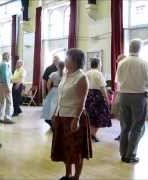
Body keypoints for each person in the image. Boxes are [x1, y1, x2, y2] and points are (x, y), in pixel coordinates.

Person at [51, 48, 92, 180]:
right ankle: (67, 174)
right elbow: (60, 96)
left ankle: (76, 177)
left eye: (67, 58)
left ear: (75, 61)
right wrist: (55, 113)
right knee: (64, 148)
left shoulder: (81, 77)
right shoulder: (65, 74)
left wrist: (77, 118)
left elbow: (82, 101)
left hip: (74, 117)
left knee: (76, 150)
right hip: (61, 115)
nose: (65, 60)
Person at [116, 39, 148, 164]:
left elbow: (118, 80)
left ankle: (123, 153)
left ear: (129, 48)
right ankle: (130, 155)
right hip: (139, 96)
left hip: (123, 95)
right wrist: (146, 89)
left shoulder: (122, 62)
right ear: (140, 49)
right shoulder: (145, 63)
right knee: (137, 126)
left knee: (125, 126)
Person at [85, 58, 111, 142]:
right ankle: (93, 134)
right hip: (97, 96)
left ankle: (90, 134)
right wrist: (107, 99)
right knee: (100, 116)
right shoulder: (98, 73)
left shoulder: (87, 73)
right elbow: (102, 87)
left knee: (90, 116)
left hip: (88, 95)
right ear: (98, 64)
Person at [41, 61, 65, 128]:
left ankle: (52, 122)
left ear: (57, 66)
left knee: (52, 108)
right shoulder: (66, 74)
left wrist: (49, 92)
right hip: (62, 91)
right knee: (60, 107)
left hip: (54, 90)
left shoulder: (53, 74)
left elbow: (48, 84)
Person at [0, 52, 14, 124]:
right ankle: (7, 117)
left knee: (1, 101)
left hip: (0, 84)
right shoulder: (5, 64)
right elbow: (5, 76)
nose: (10, 58)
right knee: (9, 102)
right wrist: (8, 87)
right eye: (9, 56)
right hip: (5, 84)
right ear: (6, 57)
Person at [112, 54, 126, 141]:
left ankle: (124, 134)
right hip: (121, 93)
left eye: (118, 60)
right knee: (119, 115)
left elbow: (118, 84)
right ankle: (123, 133)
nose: (117, 61)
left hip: (124, 94)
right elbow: (117, 84)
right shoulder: (120, 67)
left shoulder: (122, 67)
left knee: (123, 116)